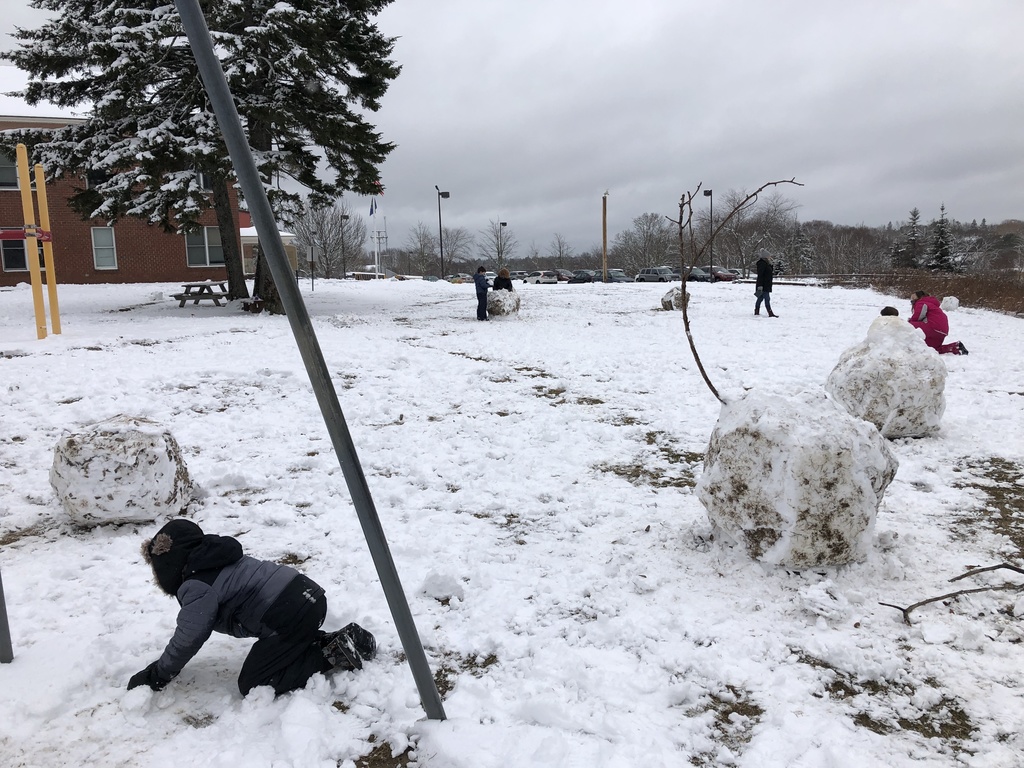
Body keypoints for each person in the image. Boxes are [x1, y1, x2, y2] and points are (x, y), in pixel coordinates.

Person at [127, 519, 376, 697]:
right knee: (287, 641)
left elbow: (189, 637)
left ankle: (330, 654)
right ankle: (337, 641)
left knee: (255, 682)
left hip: (287, 613)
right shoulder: (216, 559)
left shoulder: (198, 585)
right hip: (308, 596)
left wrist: (159, 673)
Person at [908, 290, 968, 355]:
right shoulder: (932, 304)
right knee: (932, 349)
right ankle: (956, 347)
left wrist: (908, 322)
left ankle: (903, 343)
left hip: (933, 327)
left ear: (920, 297)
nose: (912, 300)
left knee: (908, 326)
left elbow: (918, 316)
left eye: (913, 298)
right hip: (942, 331)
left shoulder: (922, 303)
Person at [754, 248, 777, 317]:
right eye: (768, 256)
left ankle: (756, 310)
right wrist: (760, 285)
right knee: (767, 298)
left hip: (766, 284)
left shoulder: (767, 263)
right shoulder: (762, 264)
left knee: (760, 298)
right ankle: (770, 312)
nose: (770, 257)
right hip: (763, 284)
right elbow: (761, 275)